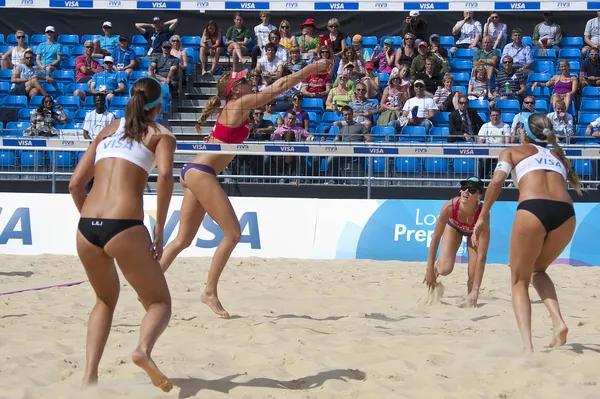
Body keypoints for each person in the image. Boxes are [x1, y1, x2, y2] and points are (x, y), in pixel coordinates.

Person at [158, 57, 334, 318]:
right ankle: (209, 292)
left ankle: (148, 284)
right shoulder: (239, 103)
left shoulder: (233, 105)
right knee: (233, 234)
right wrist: (309, 70)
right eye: (243, 80)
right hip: (202, 172)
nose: (249, 81)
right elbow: (277, 88)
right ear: (235, 89)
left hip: (193, 171)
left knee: (182, 240)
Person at [68, 78, 177, 391]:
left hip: (87, 227)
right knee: (159, 303)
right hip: (124, 224)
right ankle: (142, 350)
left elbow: (75, 184)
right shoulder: (161, 134)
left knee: (103, 300)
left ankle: (89, 379)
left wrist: (91, 222)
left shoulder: (109, 128)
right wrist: (158, 231)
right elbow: (167, 176)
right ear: (158, 108)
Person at [472, 112, 582, 354]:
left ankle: (527, 347)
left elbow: (497, 182)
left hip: (533, 208)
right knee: (537, 270)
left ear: (524, 133)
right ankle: (558, 322)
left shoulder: (512, 151)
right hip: (567, 213)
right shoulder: (558, 155)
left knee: (518, 280)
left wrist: (483, 215)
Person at [423, 177, 490, 308]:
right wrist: (429, 269)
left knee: (473, 275)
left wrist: (476, 289)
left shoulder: (483, 215)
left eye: (471, 190)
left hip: (474, 233)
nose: (466, 192)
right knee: (445, 269)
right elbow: (435, 238)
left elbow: (482, 257)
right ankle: (438, 265)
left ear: (478, 196)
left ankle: (471, 303)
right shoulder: (450, 206)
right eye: (464, 188)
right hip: (454, 228)